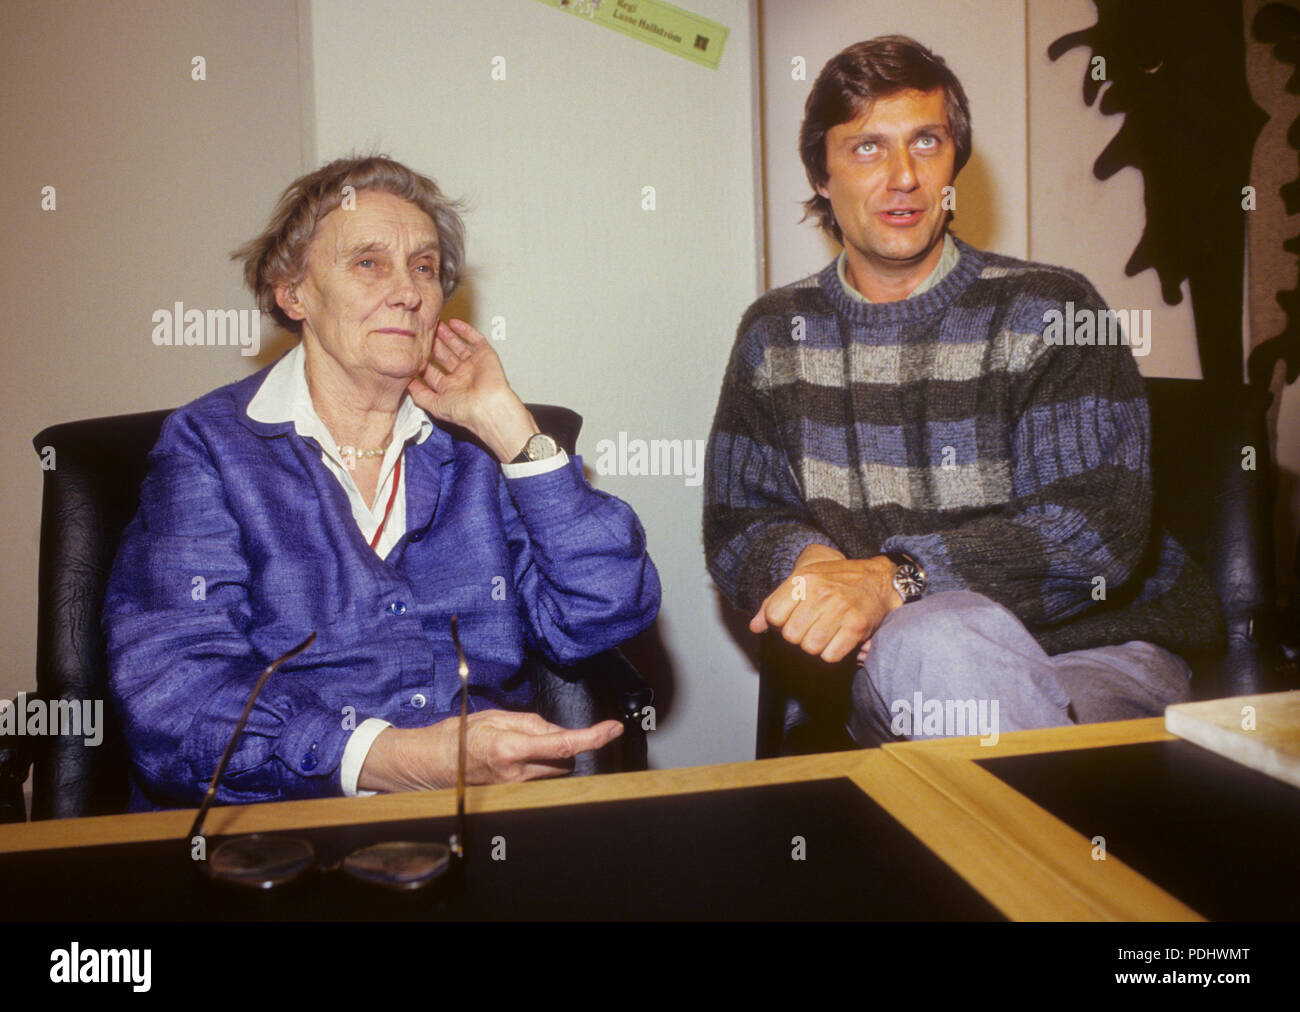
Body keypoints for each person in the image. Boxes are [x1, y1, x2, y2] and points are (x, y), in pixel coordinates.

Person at [703, 36, 1224, 746]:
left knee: (940, 633)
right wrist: (814, 567)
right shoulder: (776, 334)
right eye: (865, 148)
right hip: (896, 668)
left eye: (927, 142)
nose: (903, 177)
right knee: (932, 641)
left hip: (1095, 655)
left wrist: (894, 582)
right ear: (821, 175)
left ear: (955, 162)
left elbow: (1093, 531)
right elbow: (738, 521)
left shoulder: (1052, 310)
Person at [105, 155, 660, 810]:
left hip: (482, 820)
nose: (409, 291)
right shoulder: (210, 448)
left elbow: (601, 614)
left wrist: (513, 431)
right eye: (369, 262)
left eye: (424, 267)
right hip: (280, 833)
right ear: (293, 291)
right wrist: (397, 759)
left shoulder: (476, 450)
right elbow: (176, 697)